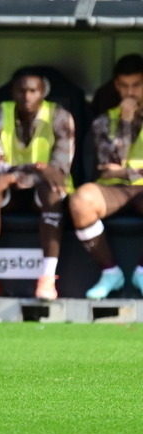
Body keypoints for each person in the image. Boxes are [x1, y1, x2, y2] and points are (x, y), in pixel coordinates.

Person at [0, 68, 75, 301]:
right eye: (21, 91)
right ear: (12, 92)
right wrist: (38, 167)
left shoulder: (60, 117)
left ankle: (47, 279)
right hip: (7, 189)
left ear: (43, 93)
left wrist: (11, 175)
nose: (27, 97)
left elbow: (59, 171)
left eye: (33, 91)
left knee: (54, 193)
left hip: (42, 189)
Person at [69, 53, 143, 299]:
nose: (129, 92)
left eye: (136, 85)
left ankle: (142, 272)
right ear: (115, 86)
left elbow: (120, 168)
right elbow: (109, 163)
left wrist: (126, 172)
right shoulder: (105, 120)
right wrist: (126, 122)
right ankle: (110, 272)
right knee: (80, 201)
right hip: (113, 189)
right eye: (124, 86)